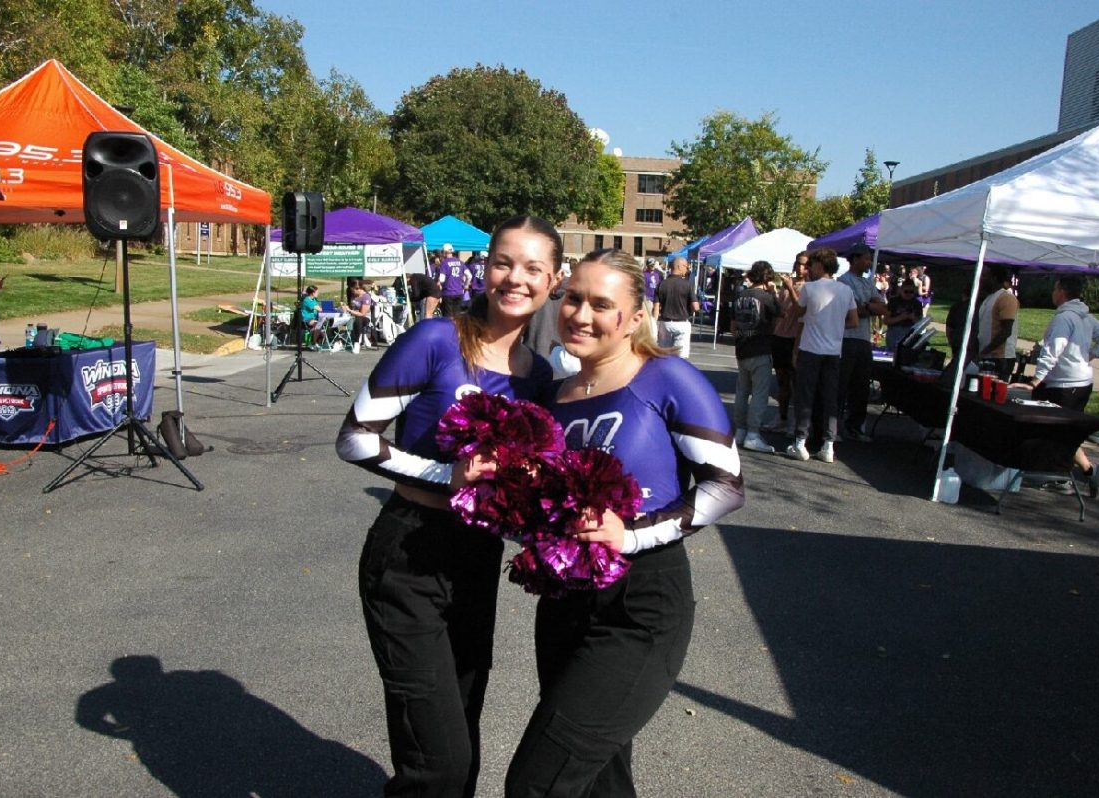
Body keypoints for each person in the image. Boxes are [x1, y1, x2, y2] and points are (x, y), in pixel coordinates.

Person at [504, 248, 744, 798]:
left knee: (539, 782)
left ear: (636, 317)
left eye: (601, 304)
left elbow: (726, 487)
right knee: (597, 779)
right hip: (564, 602)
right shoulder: (553, 396)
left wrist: (632, 534)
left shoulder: (666, 378)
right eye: (573, 298)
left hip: (641, 605)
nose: (580, 315)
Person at [335, 215, 561, 798]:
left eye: (534, 268)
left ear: (554, 279)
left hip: (476, 558)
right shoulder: (435, 339)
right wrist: (446, 474)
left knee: (463, 739)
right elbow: (355, 437)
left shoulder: (540, 378)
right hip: (408, 551)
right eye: (504, 262)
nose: (516, 278)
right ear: (484, 268)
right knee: (436, 761)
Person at [1014, 275, 1099, 498]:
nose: (1052, 292)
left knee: (1059, 431)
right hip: (1080, 382)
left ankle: (1062, 476)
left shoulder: (1065, 318)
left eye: (1055, 288)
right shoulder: (1085, 317)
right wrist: (1087, 357)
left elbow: (1054, 350)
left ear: (1062, 291)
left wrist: (1034, 380)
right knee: (1065, 431)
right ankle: (1086, 471)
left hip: (1065, 384)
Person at [785, 247, 858, 464]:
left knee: (805, 396)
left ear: (819, 265)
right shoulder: (846, 291)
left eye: (811, 265)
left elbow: (798, 312)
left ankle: (800, 441)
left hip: (811, 349)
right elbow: (854, 322)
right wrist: (834, 324)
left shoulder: (810, 288)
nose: (808, 269)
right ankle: (828, 445)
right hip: (834, 351)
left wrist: (791, 290)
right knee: (829, 398)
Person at [836, 243, 886, 442]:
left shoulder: (868, 283)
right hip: (847, 339)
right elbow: (852, 310)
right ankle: (835, 426)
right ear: (855, 259)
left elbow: (882, 308)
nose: (868, 263)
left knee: (861, 386)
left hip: (864, 340)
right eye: (866, 258)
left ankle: (855, 427)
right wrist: (867, 307)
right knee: (842, 384)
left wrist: (866, 307)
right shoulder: (843, 282)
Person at [731, 260, 782, 453]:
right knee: (760, 393)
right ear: (768, 277)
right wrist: (774, 292)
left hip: (742, 348)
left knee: (742, 391)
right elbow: (779, 314)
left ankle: (741, 430)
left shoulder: (739, 296)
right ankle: (753, 433)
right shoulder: (766, 297)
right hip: (761, 347)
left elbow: (733, 327)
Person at [772, 252, 808, 434]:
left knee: (797, 382)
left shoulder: (808, 286)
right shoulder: (787, 284)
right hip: (780, 336)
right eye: (798, 264)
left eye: (804, 265)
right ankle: (781, 417)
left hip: (796, 337)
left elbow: (801, 309)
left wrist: (791, 288)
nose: (800, 268)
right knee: (781, 381)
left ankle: (795, 422)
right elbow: (780, 307)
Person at [977, 263, 1019, 380]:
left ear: (994, 278)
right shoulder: (989, 297)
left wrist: (985, 351)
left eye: (985, 276)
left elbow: (1006, 331)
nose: (982, 280)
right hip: (987, 355)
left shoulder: (1006, 297)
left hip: (1000, 358)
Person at [653, 255, 699, 358]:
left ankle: (664, 374)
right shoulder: (687, 285)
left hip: (665, 323)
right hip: (682, 323)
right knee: (680, 359)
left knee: (664, 356)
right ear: (679, 266)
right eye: (686, 267)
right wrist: (690, 310)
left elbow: (656, 308)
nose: (687, 270)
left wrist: (654, 325)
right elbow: (696, 307)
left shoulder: (661, 284)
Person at [884, 278, 924, 352]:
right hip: (894, 332)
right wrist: (901, 317)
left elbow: (920, 323)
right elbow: (886, 320)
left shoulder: (917, 304)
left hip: (910, 332)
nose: (908, 294)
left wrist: (912, 318)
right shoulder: (893, 301)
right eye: (906, 291)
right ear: (901, 290)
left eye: (911, 292)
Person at [438, 243, 468, 317]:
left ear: (444, 252)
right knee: (457, 316)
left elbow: (442, 279)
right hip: (459, 292)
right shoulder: (460, 262)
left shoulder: (444, 263)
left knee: (448, 317)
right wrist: (465, 286)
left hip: (448, 293)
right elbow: (469, 275)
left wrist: (439, 283)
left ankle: (449, 328)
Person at [348, 280, 376, 349]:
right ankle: (337, 339)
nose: (352, 292)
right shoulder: (354, 296)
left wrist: (350, 311)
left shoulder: (366, 297)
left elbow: (362, 314)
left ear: (358, 288)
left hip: (365, 317)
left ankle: (356, 343)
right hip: (354, 315)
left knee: (358, 319)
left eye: (353, 290)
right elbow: (352, 307)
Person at [298, 285, 327, 349]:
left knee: (324, 323)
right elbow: (319, 309)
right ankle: (313, 342)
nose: (318, 293)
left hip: (314, 318)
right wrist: (329, 309)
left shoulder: (314, 300)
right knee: (318, 324)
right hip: (307, 319)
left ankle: (323, 342)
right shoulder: (307, 300)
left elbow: (320, 308)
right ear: (313, 293)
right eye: (317, 292)